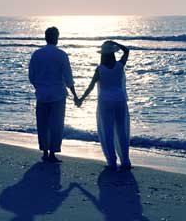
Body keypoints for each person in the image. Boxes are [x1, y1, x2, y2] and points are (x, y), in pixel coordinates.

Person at [76, 40, 132, 171]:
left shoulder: (100, 69)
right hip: (120, 100)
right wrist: (115, 43)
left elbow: (90, 86)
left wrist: (81, 99)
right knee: (122, 131)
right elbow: (127, 51)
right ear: (113, 54)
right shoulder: (120, 65)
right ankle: (125, 162)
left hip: (105, 101)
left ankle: (112, 162)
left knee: (107, 131)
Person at [29, 26, 78, 163]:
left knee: (43, 124)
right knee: (56, 124)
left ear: (46, 37)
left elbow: (31, 76)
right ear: (56, 38)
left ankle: (44, 151)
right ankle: (52, 152)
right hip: (58, 94)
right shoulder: (61, 55)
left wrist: (39, 87)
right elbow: (68, 78)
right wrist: (75, 95)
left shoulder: (37, 54)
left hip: (42, 94)